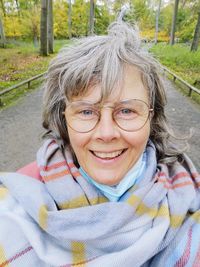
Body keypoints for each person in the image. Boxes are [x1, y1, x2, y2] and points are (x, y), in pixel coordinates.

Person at [0, 21, 199, 267]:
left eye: (127, 110)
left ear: (152, 117)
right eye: (85, 112)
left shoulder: (191, 200)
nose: (106, 133)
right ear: (62, 118)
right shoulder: (12, 203)